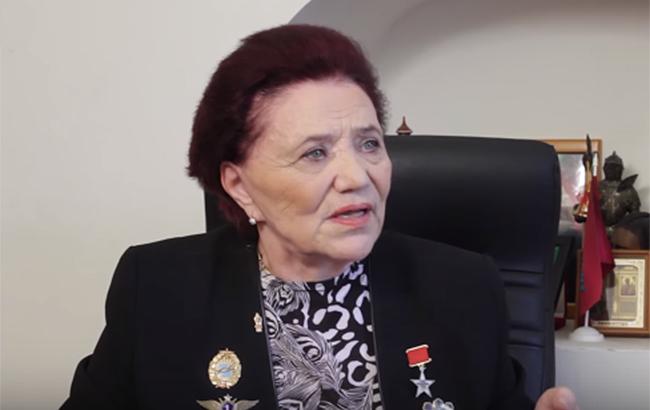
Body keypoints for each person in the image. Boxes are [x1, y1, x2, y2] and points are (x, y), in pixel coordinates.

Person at [61, 24, 577, 410]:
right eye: (314, 153)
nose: (357, 176)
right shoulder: (157, 289)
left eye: (369, 144)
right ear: (239, 185)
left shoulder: (463, 287)